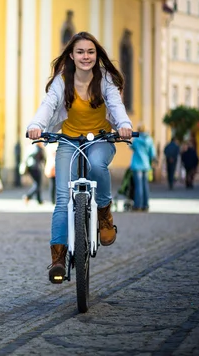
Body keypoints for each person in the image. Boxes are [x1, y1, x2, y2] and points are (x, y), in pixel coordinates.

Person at [26, 31, 132, 284]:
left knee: (97, 165)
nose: (86, 56)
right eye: (81, 52)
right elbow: (48, 105)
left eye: (91, 52)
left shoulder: (105, 79)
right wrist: (36, 125)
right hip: (68, 141)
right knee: (62, 198)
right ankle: (58, 259)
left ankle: (104, 213)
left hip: (101, 140)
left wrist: (124, 124)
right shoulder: (62, 81)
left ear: (97, 55)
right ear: (71, 56)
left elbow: (116, 106)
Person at [129, 124, 156, 212]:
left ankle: (138, 205)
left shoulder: (136, 140)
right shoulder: (149, 139)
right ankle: (146, 205)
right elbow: (152, 153)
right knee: (145, 186)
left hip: (137, 165)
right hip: (146, 165)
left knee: (138, 186)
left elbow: (131, 147)